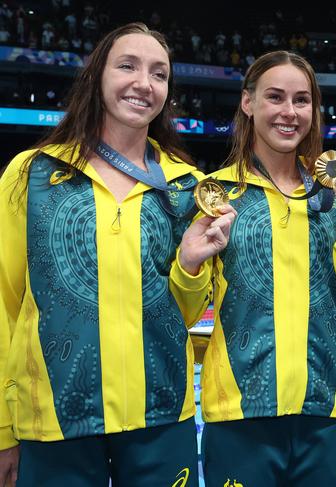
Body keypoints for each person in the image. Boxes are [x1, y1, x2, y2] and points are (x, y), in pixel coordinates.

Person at [0, 22, 234, 486]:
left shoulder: (187, 186)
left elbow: (184, 313)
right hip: (54, 420)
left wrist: (189, 266)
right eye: (127, 66)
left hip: (162, 415)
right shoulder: (32, 174)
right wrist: (3, 429)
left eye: (159, 73)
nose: (143, 83)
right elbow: (4, 304)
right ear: (97, 76)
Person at [193, 50, 336, 487]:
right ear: (248, 102)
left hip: (327, 409)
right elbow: (186, 306)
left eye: (302, 100)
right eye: (275, 97)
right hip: (240, 410)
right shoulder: (214, 196)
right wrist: (189, 266)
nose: (289, 113)